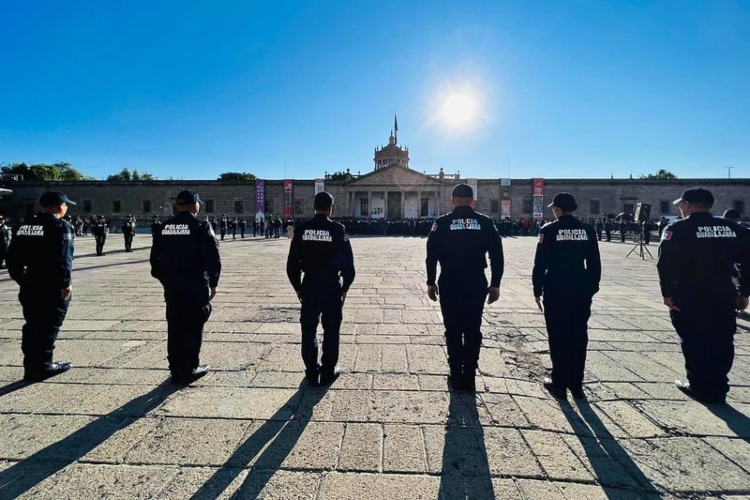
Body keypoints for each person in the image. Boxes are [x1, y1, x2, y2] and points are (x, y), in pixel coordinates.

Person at [658, 188, 750, 404]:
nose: (681, 209)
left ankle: (699, 386)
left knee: (694, 339)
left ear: (687, 205)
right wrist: (744, 292)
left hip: (690, 294)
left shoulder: (678, 229)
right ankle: (719, 387)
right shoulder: (733, 228)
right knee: (722, 339)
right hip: (723, 293)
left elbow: (665, 264)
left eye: (682, 205)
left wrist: (667, 293)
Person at [426, 183, 504, 392]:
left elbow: (431, 255)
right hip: (475, 280)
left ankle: (455, 371)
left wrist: (431, 282)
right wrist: (495, 283)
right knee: (472, 327)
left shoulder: (442, 223)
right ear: (472, 201)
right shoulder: (485, 222)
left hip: (450, 280)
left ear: (452, 201)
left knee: (452, 328)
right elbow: (497, 255)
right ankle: (469, 374)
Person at [532, 193, 601, 399]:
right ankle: (576, 384)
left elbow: (540, 263)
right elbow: (595, 262)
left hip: (556, 286)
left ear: (557, 209)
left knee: (558, 334)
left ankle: (559, 382)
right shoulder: (588, 230)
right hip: (580, 286)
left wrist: (537, 289)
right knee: (579, 334)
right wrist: (592, 286)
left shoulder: (548, 230)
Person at [150, 190, 221, 385]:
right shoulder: (201, 226)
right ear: (195, 205)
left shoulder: (163, 227)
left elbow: (155, 261)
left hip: (173, 286)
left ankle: (175, 369)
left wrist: (165, 280)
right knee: (194, 325)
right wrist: (214, 283)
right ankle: (189, 368)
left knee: (175, 326)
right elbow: (213, 257)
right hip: (195, 286)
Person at [286, 191, 355, 387]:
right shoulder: (338, 230)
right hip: (331, 286)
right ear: (330, 207)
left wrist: (298, 287)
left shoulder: (302, 229)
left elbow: (292, 265)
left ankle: (311, 371)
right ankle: (327, 371)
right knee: (331, 329)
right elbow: (348, 265)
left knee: (308, 329)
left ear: (314, 206)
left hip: (310, 285)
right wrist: (345, 288)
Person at [5, 192, 75, 381]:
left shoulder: (24, 226)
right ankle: (43, 365)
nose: (66, 208)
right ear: (60, 205)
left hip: (30, 283)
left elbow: (12, 257)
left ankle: (31, 366)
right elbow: (64, 258)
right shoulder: (60, 226)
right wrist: (65, 283)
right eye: (66, 205)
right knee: (49, 325)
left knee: (32, 325)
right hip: (52, 285)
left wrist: (22, 279)